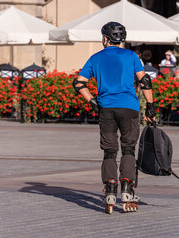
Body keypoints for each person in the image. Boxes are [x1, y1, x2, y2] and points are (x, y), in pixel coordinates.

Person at [73, 22, 155, 214]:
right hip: (129, 108)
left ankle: (110, 189)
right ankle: (127, 189)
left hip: (106, 109)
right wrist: (150, 107)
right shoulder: (131, 56)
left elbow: (78, 83)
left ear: (105, 38)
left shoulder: (95, 58)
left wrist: (93, 101)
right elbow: (145, 81)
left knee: (109, 151)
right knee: (128, 149)